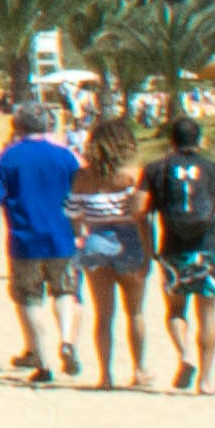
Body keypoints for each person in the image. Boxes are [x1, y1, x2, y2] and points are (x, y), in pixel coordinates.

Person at [0, 96, 87, 384]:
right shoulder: (65, 156)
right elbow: (77, 197)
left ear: (17, 125)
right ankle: (67, 338)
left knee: (29, 297)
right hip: (62, 237)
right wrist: (80, 230)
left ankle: (42, 361)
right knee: (65, 291)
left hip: (24, 238)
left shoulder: (8, 158)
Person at [144, 114, 215, 392]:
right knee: (208, 315)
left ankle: (185, 354)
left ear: (171, 141)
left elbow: (139, 208)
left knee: (176, 310)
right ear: (200, 140)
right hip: (210, 247)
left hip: (174, 249)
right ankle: (206, 379)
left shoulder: (155, 170)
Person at [75, 121, 156, 388]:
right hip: (129, 240)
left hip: (96, 240)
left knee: (103, 314)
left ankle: (105, 375)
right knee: (135, 312)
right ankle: (140, 369)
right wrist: (149, 251)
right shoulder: (134, 176)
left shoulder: (82, 178)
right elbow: (143, 217)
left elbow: (73, 217)